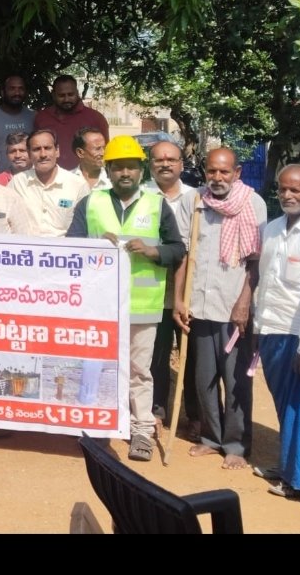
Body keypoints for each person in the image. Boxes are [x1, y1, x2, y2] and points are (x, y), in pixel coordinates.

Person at [65, 136, 184, 462]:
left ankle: (142, 430)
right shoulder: (91, 203)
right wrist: (94, 245)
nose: (125, 173)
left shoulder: (157, 205)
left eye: (131, 166)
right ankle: (96, 427)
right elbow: (69, 248)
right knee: (97, 367)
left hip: (141, 305)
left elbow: (178, 249)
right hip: (99, 305)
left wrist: (153, 251)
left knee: (138, 371)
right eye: (118, 168)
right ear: (109, 170)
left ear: (141, 170)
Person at [174, 147, 266, 470]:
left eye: (224, 172)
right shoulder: (194, 202)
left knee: (237, 379)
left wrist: (244, 302)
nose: (217, 178)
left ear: (237, 172)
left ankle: (237, 445)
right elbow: (184, 254)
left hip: (234, 310)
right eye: (212, 171)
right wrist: (179, 299)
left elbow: (256, 262)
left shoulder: (253, 203)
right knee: (204, 378)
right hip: (200, 305)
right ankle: (212, 439)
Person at [252, 164, 300, 500]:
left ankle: (297, 480)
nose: (287, 195)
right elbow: (264, 281)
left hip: (298, 336)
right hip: (270, 328)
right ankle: (287, 465)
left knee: (299, 408)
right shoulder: (270, 229)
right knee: (283, 404)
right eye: (283, 189)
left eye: (295, 190)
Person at [143, 140, 199, 430]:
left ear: (181, 163)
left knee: (193, 356)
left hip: (189, 291)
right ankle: (157, 409)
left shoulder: (196, 198)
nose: (165, 164)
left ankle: (196, 414)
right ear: (150, 163)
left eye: (171, 159)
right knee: (156, 354)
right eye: (159, 159)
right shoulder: (141, 196)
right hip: (151, 290)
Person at [8, 129, 89, 236]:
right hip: (26, 249)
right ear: (29, 154)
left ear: (57, 151)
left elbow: (85, 226)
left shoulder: (77, 185)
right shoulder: (17, 183)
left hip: (64, 250)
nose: (43, 154)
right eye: (36, 149)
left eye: (47, 148)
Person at [34, 75, 110, 171]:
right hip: (50, 177)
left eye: (70, 94)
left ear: (77, 93)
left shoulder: (96, 118)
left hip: (86, 178)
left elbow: (106, 152)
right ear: (53, 95)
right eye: (61, 95)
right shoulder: (42, 118)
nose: (66, 99)